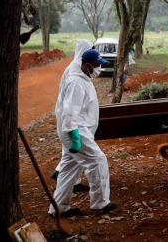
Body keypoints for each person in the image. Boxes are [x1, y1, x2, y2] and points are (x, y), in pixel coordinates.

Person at [49, 49, 117, 217]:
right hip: (76, 130)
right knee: (98, 160)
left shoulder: (83, 78)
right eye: (97, 65)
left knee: (69, 169)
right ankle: (100, 203)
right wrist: (74, 135)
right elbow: (69, 111)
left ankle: (58, 207)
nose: (99, 68)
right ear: (87, 65)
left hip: (78, 129)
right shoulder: (76, 83)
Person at [51, 40, 92, 193]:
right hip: (69, 116)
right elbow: (72, 100)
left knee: (69, 151)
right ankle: (66, 178)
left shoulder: (74, 66)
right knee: (74, 149)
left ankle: (65, 176)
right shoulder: (75, 69)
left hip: (67, 115)